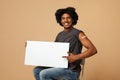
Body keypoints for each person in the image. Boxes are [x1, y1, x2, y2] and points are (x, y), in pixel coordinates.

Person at [33, 7, 97, 80]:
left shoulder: (79, 33)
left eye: (68, 18)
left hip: (71, 71)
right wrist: (32, 47)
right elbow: (52, 52)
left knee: (44, 74)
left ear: (73, 19)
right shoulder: (59, 35)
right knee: (37, 70)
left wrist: (75, 57)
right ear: (60, 20)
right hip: (60, 67)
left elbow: (93, 50)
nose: (66, 20)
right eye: (63, 18)